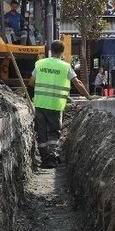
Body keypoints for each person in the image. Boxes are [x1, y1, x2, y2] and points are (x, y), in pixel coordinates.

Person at [29, 40, 92, 168]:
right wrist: (89, 97)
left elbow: (31, 82)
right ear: (62, 52)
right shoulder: (65, 67)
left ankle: (45, 159)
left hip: (40, 104)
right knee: (53, 133)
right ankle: (51, 158)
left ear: (51, 50)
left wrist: (29, 96)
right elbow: (77, 83)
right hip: (55, 105)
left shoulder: (40, 64)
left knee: (41, 133)